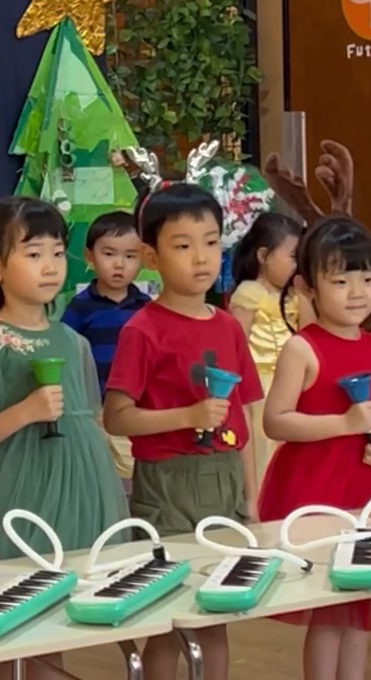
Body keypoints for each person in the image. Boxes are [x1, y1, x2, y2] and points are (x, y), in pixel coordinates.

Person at [105, 183, 262, 680]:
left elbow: (242, 423)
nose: (201, 257)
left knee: (217, 612)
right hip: (167, 483)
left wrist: (252, 498)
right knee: (169, 614)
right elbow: (116, 417)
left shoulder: (229, 326)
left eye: (211, 242)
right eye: (183, 245)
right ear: (151, 256)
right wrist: (187, 417)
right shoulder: (142, 329)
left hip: (225, 480)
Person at [257, 217, 371, 680]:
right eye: (340, 281)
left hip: (370, 488)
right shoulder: (302, 349)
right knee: (328, 607)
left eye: (367, 279)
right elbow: (275, 420)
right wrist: (343, 424)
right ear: (307, 287)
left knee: (360, 603)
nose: (357, 293)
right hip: (316, 490)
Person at [0, 197, 124, 561]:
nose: (50, 266)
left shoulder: (74, 341)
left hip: (81, 487)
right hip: (17, 493)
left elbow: (91, 418)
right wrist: (24, 412)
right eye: (34, 254)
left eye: (57, 253)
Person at [60, 210, 150, 482]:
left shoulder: (147, 309)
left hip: (136, 408)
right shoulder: (80, 308)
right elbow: (67, 357)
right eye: (109, 254)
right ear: (89, 256)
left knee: (135, 475)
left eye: (130, 256)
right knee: (97, 475)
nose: (119, 264)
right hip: (93, 409)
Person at [227, 212, 303, 481]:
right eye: (292, 257)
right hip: (261, 388)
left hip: (293, 385)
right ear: (263, 256)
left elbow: (308, 335)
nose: (297, 265)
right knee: (265, 454)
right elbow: (234, 349)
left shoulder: (294, 296)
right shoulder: (249, 293)